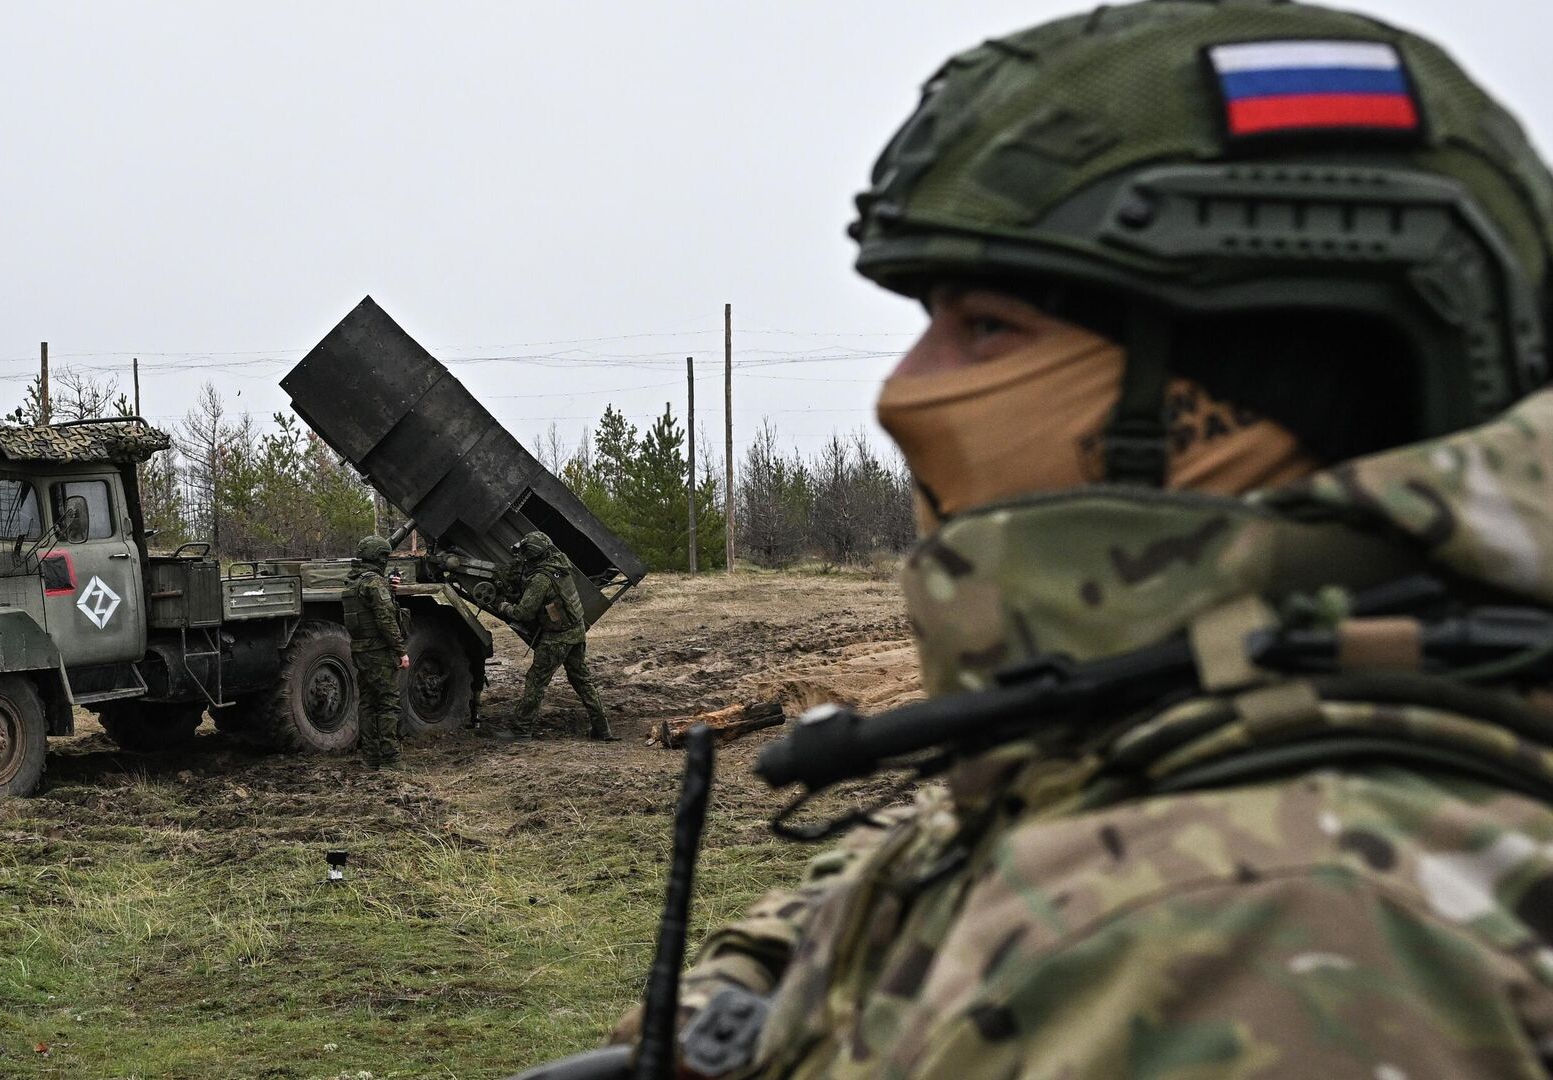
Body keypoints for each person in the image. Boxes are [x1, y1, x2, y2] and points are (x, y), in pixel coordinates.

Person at [608, 1, 1553, 1075]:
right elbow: (965, 837)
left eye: (988, 328)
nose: (900, 394)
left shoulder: (1247, 939)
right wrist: (744, 995)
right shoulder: (1230, 718)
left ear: (1270, 390)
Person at [495, 531, 615, 741]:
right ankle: (602, 729)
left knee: (536, 681)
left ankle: (521, 729)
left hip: (557, 638)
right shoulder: (561, 566)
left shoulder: (541, 579)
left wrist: (504, 606)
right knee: (582, 681)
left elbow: (523, 613)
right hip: (577, 631)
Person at [341, 534, 408, 769]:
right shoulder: (374, 583)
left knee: (368, 703)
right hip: (379, 651)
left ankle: (371, 758)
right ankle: (391, 758)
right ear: (379, 557)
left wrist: (390, 589)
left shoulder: (354, 581)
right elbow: (386, 620)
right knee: (388, 702)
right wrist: (401, 650)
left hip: (360, 650)